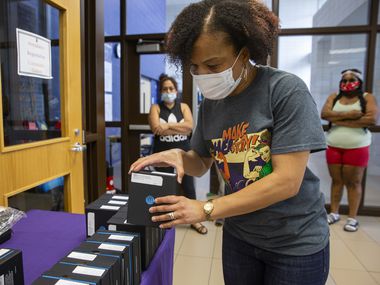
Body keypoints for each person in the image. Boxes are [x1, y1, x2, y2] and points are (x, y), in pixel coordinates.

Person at [130, 0, 329, 284]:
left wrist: (206, 208)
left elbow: (287, 181)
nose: (204, 76)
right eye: (195, 67)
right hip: (240, 237)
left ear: (243, 54)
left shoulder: (284, 91)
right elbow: (201, 162)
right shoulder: (211, 104)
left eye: (214, 65)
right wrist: (179, 156)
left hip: (294, 242)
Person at [148, 74, 208, 235]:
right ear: (161, 91)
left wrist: (166, 125)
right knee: (164, 190)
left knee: (189, 188)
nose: (168, 91)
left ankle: (195, 221)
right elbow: (155, 128)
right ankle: (165, 220)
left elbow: (189, 127)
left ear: (176, 90)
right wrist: (177, 126)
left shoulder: (183, 107)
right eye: (165, 89)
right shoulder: (155, 108)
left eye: (171, 88)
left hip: (184, 155)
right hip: (163, 156)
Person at [321, 69, 378, 232]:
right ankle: (334, 212)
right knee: (336, 181)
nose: (347, 83)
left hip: (357, 147)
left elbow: (372, 119)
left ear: (359, 81)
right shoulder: (334, 97)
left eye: (351, 79)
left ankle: (352, 218)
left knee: (354, 183)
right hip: (333, 145)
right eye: (344, 80)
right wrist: (352, 115)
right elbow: (324, 114)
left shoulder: (367, 98)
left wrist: (337, 118)